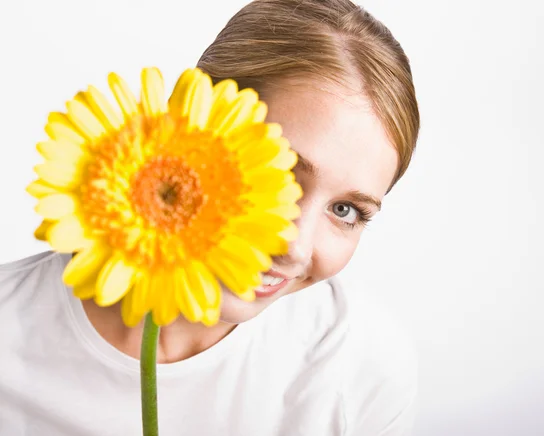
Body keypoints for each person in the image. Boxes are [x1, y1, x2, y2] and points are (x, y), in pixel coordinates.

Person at [0, 0, 420, 434]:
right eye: (280, 175)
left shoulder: (360, 369)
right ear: (191, 127)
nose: (294, 247)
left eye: (345, 211)